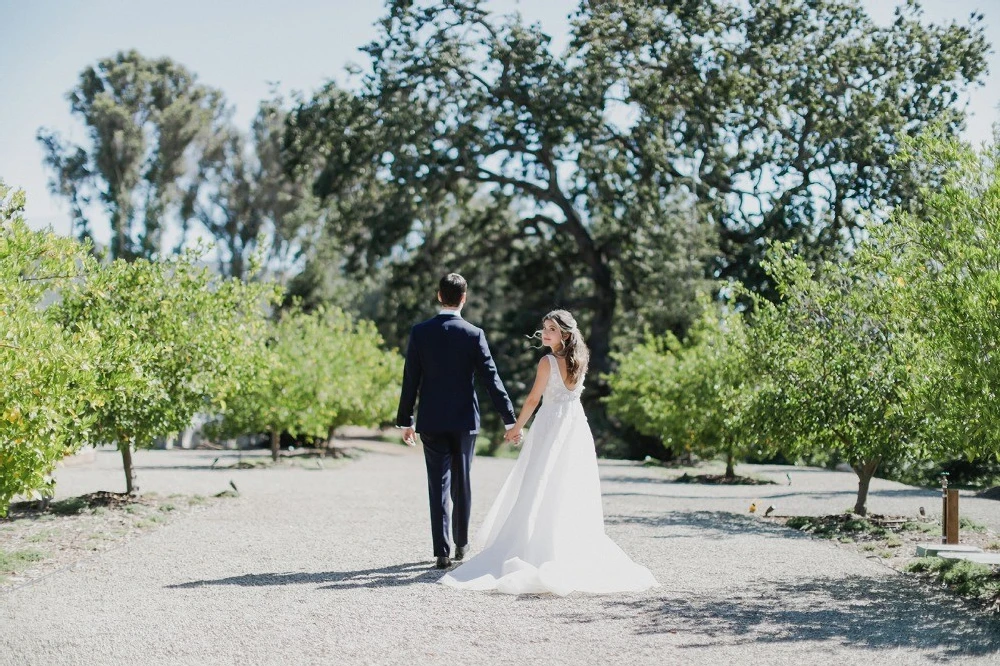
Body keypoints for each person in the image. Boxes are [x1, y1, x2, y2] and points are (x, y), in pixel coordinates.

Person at [440, 310, 659, 595]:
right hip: (575, 425)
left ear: (564, 335)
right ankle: (565, 544)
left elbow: (533, 399)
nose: (545, 333)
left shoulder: (547, 362)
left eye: (552, 329)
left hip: (551, 425)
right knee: (564, 484)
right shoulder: (580, 359)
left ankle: (536, 545)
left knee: (538, 482)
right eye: (544, 327)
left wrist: (516, 427)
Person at [396, 273, 517, 569]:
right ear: (464, 298)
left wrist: (405, 420)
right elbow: (491, 379)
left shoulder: (420, 332)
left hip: (431, 420)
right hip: (464, 422)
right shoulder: (474, 334)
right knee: (462, 483)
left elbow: (411, 379)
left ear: (440, 296)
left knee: (437, 484)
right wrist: (509, 419)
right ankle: (461, 544)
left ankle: (442, 551)